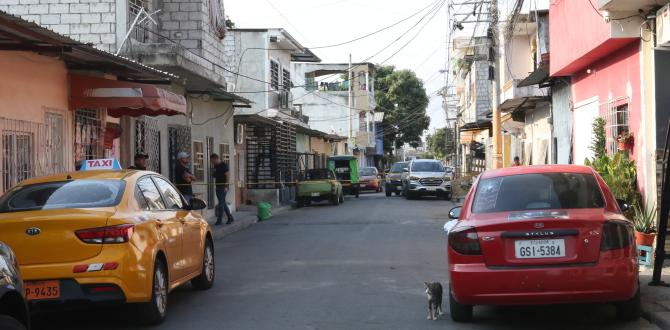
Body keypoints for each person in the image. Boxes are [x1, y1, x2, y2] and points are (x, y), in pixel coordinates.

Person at [210, 153, 234, 225]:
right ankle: (230, 217)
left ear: (216, 159)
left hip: (223, 187)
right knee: (223, 203)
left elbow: (227, 175)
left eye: (212, 161)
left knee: (221, 204)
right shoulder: (215, 166)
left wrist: (226, 186)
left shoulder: (224, 165)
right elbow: (216, 174)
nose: (212, 162)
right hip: (218, 186)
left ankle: (219, 220)